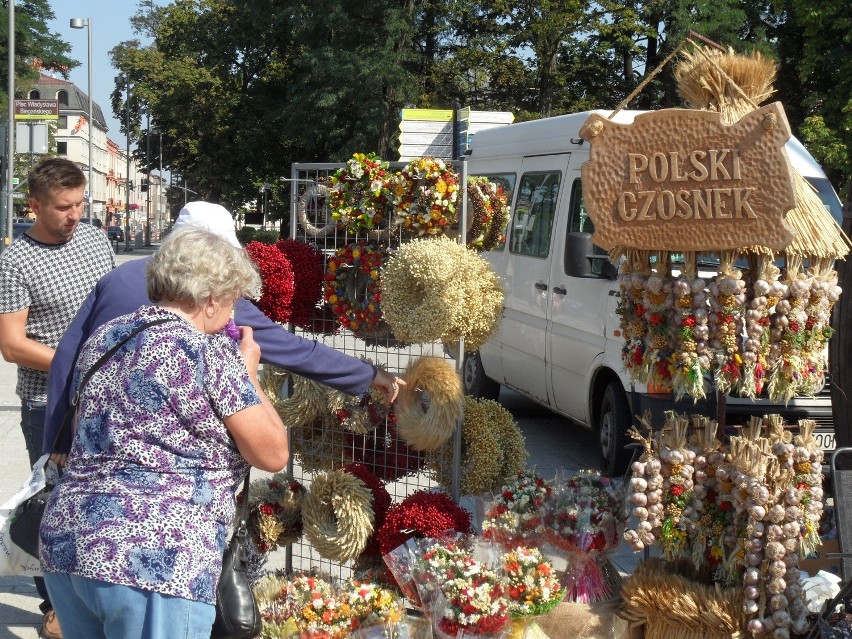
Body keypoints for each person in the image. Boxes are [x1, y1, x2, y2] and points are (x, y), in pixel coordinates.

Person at [39, 228, 289, 638]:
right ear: (210, 299)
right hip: (156, 555)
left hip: (70, 541)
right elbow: (273, 451)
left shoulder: (107, 338)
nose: (233, 313)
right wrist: (249, 376)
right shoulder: (209, 353)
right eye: (232, 300)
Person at [44, 200, 404, 458]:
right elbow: (295, 355)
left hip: (97, 454)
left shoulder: (117, 278)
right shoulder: (213, 298)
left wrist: (56, 444)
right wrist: (370, 374)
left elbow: (67, 359)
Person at [0, 157, 116, 639]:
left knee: (108, 499)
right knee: (57, 507)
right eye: (64, 207)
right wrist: (78, 361)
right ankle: (58, 608)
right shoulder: (15, 261)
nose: (75, 215)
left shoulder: (93, 238)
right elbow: (12, 344)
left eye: (80, 203)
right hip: (49, 405)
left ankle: (103, 592)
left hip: (109, 395)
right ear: (34, 206)